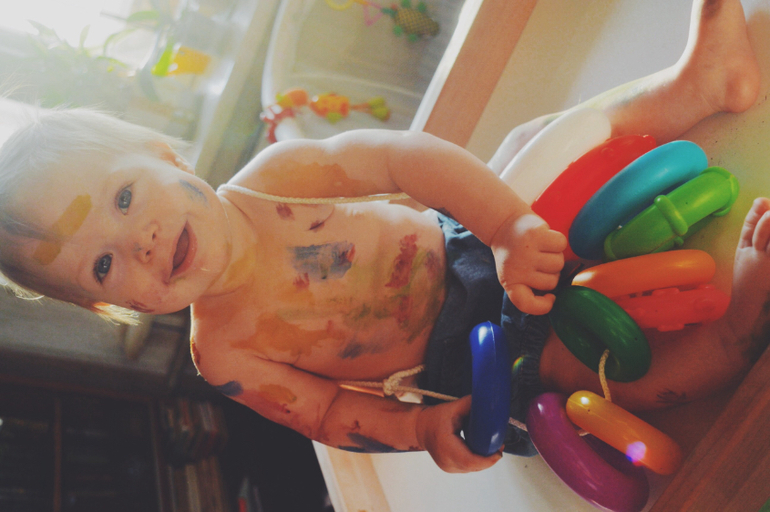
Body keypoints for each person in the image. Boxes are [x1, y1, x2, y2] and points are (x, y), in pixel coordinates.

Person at [0, 0, 766, 473]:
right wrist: (423, 428)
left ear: (163, 152)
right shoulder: (224, 355)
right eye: (102, 266)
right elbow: (328, 415)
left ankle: (696, 87)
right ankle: (732, 335)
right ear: (116, 309)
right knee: (586, 375)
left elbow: (404, 158)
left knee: (536, 140)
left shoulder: (279, 175)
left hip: (473, 242)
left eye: (124, 197)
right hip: (473, 351)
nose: (139, 243)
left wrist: (506, 226)